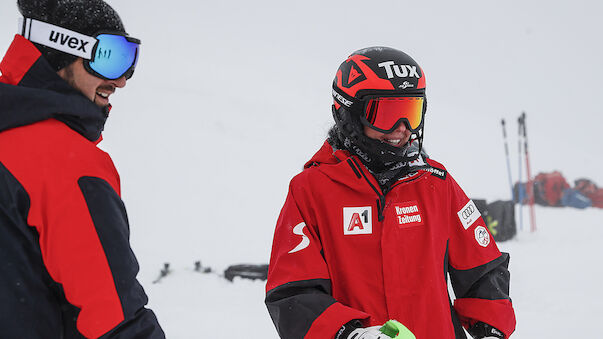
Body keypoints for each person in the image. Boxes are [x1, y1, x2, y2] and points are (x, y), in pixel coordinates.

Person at [265, 47, 516, 339]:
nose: (402, 129)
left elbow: (483, 269)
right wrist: (350, 334)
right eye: (386, 114)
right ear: (348, 114)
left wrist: (491, 330)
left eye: (410, 112)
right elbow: (293, 292)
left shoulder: (436, 184)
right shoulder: (311, 191)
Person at [0, 0, 165, 338]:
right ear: (61, 51)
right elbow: (115, 318)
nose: (120, 81)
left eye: (128, 60)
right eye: (108, 57)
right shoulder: (61, 161)